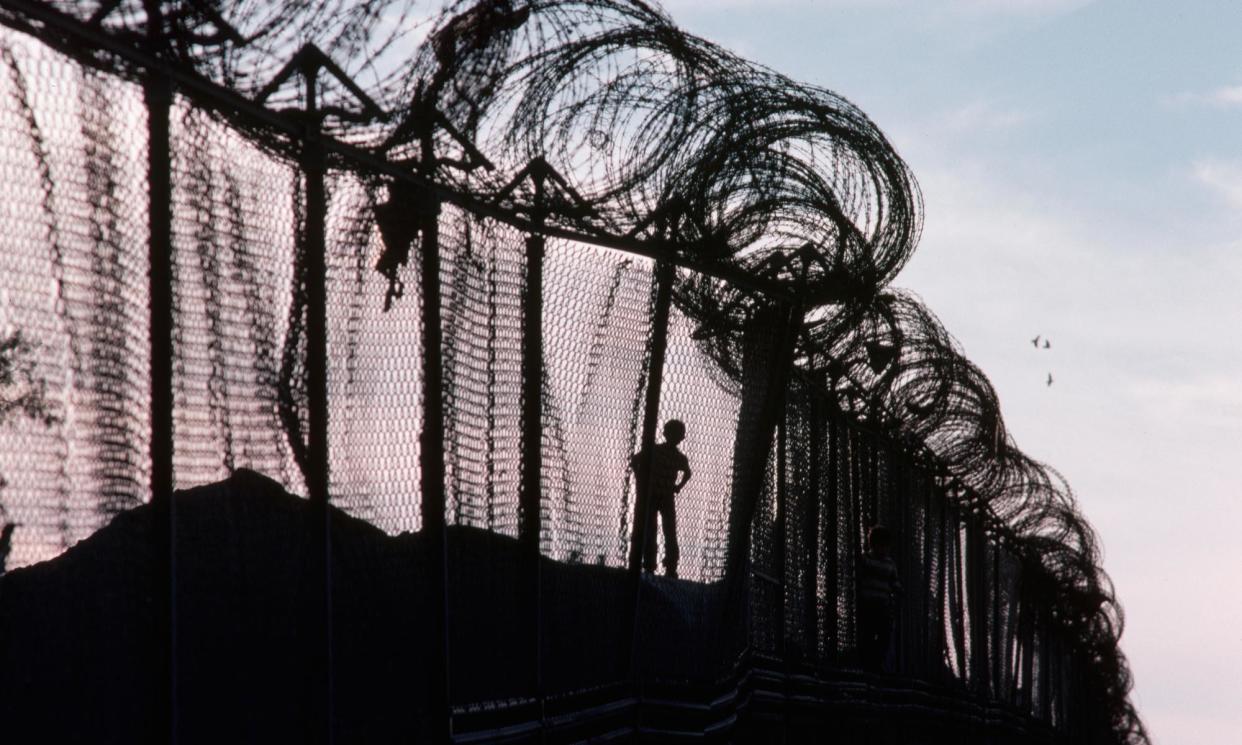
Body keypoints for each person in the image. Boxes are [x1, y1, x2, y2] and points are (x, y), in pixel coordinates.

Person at [629, 419, 692, 578]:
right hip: (656, 495)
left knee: (665, 530)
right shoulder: (657, 451)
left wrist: (678, 486)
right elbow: (635, 461)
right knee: (656, 529)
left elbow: (687, 473)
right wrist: (640, 479)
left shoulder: (674, 456)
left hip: (664, 497)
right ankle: (653, 563)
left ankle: (665, 564)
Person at [857, 524, 902, 672]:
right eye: (881, 545)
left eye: (886, 546)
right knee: (868, 635)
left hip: (883, 606)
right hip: (868, 605)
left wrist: (898, 588)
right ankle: (870, 663)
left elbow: (894, 581)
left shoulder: (890, 564)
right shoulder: (866, 560)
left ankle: (877, 662)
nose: (884, 549)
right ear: (873, 544)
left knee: (885, 636)